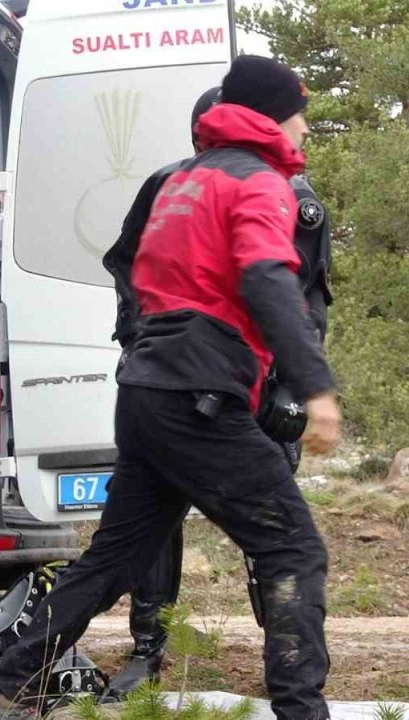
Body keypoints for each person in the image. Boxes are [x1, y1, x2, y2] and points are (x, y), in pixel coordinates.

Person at [0, 55, 341, 720]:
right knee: (292, 549)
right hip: (201, 402)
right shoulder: (259, 182)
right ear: (271, 116)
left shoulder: (177, 182)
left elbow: (134, 272)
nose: (306, 127)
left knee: (112, 561)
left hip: (144, 393)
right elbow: (266, 280)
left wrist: (144, 347)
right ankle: (302, 712)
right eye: (298, 112)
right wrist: (315, 387)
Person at [102, 85, 336, 697]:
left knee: (278, 537)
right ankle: (149, 646)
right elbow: (126, 264)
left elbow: (304, 297)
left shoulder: (292, 196)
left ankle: (285, 663)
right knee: (153, 525)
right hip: (178, 372)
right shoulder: (167, 184)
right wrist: (140, 334)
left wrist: (294, 387)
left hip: (258, 384)